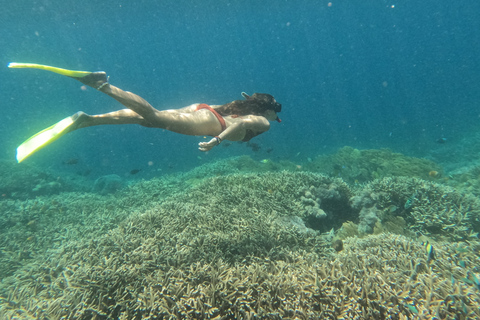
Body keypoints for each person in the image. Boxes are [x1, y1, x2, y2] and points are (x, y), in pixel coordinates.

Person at [8, 63, 282, 163]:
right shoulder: (263, 123)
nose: (276, 115)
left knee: (148, 121)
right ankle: (101, 84)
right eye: (275, 109)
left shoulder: (243, 105)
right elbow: (243, 123)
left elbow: (241, 112)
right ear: (267, 109)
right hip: (210, 122)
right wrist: (217, 141)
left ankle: (87, 120)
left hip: (203, 109)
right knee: (152, 116)